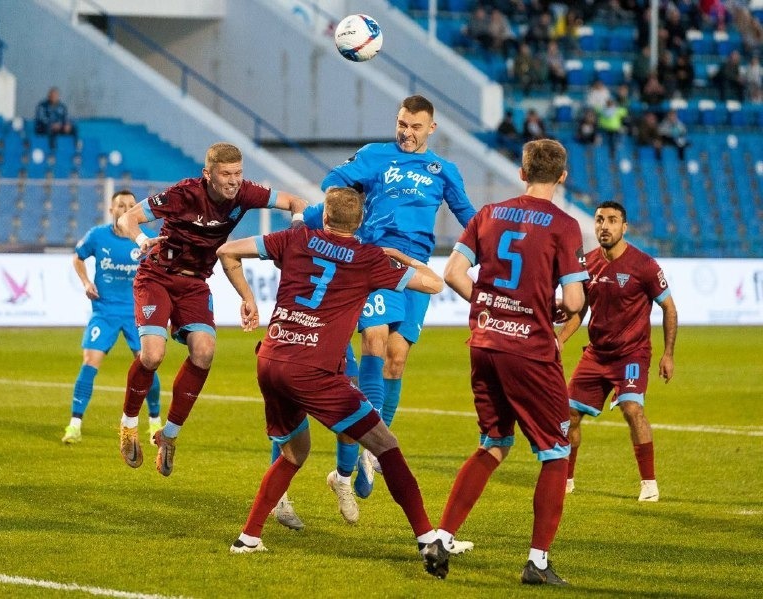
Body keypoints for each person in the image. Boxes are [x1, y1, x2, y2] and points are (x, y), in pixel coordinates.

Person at [216, 186, 453, 579]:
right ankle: (428, 539)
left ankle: (249, 538)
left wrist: (247, 298)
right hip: (313, 371)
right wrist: (400, 256)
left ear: (324, 217)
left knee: (295, 452)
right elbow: (434, 284)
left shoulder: (295, 238)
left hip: (271, 360)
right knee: (386, 445)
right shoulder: (368, 258)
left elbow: (227, 251)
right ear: (359, 222)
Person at [431, 139, 588, 585]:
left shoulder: (488, 214)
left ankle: (441, 537)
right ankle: (537, 562)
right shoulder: (565, 225)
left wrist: (488, 305)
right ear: (562, 177)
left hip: (484, 343)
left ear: (522, 173)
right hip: (530, 350)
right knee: (556, 451)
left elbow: (452, 273)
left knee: (494, 443)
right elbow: (575, 300)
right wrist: (546, 306)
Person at [309, 95, 476, 511]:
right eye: (402, 124)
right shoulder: (375, 155)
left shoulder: (443, 170)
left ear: (431, 128)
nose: (406, 133)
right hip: (377, 260)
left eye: (415, 127)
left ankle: (370, 449)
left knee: (397, 359)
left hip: (416, 268)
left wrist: (488, 251)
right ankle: (367, 451)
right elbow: (333, 181)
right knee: (375, 340)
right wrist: (348, 204)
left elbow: (471, 220)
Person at [115, 142, 307, 476]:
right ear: (208, 174)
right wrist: (142, 240)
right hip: (157, 276)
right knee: (153, 355)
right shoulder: (183, 194)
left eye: (238, 173)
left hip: (195, 284)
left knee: (204, 352)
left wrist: (298, 224)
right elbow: (127, 218)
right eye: (226, 174)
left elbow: (295, 201)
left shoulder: (246, 193)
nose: (234, 181)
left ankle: (169, 435)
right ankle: (129, 424)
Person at [556, 201, 677, 502]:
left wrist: (668, 354)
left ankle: (649, 484)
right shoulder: (586, 263)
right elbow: (580, 310)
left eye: (612, 220)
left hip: (631, 355)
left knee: (632, 409)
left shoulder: (644, 265)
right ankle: (565, 481)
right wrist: (560, 340)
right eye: (600, 220)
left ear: (624, 227)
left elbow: (669, 308)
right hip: (596, 354)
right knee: (569, 414)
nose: (604, 226)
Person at [62, 190, 162, 445]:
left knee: (148, 363)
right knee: (89, 362)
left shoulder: (146, 239)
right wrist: (86, 282)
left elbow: (161, 273)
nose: (126, 209)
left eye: (131, 205)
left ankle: (154, 422)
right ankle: (74, 425)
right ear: (111, 210)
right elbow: (78, 258)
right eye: (121, 205)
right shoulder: (97, 235)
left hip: (137, 312)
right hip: (104, 311)